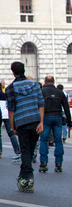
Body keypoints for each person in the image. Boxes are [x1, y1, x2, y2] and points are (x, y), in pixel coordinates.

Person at [5, 61, 44, 192]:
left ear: (13, 72)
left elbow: (11, 109)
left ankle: (28, 177)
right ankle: (23, 176)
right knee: (30, 150)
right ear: (24, 70)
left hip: (21, 122)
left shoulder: (10, 88)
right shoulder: (35, 85)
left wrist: (12, 126)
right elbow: (41, 104)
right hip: (35, 120)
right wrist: (41, 122)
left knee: (25, 150)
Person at [39, 75, 72, 173]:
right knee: (58, 140)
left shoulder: (42, 92)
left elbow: (38, 106)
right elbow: (66, 108)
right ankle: (58, 163)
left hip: (45, 117)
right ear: (54, 82)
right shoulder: (60, 92)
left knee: (44, 140)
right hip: (57, 117)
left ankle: (43, 162)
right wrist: (69, 122)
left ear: (45, 82)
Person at [0, 88, 21, 161]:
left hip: (1, 113)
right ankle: (17, 149)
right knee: (11, 133)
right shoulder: (5, 94)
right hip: (7, 114)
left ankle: (0, 151)